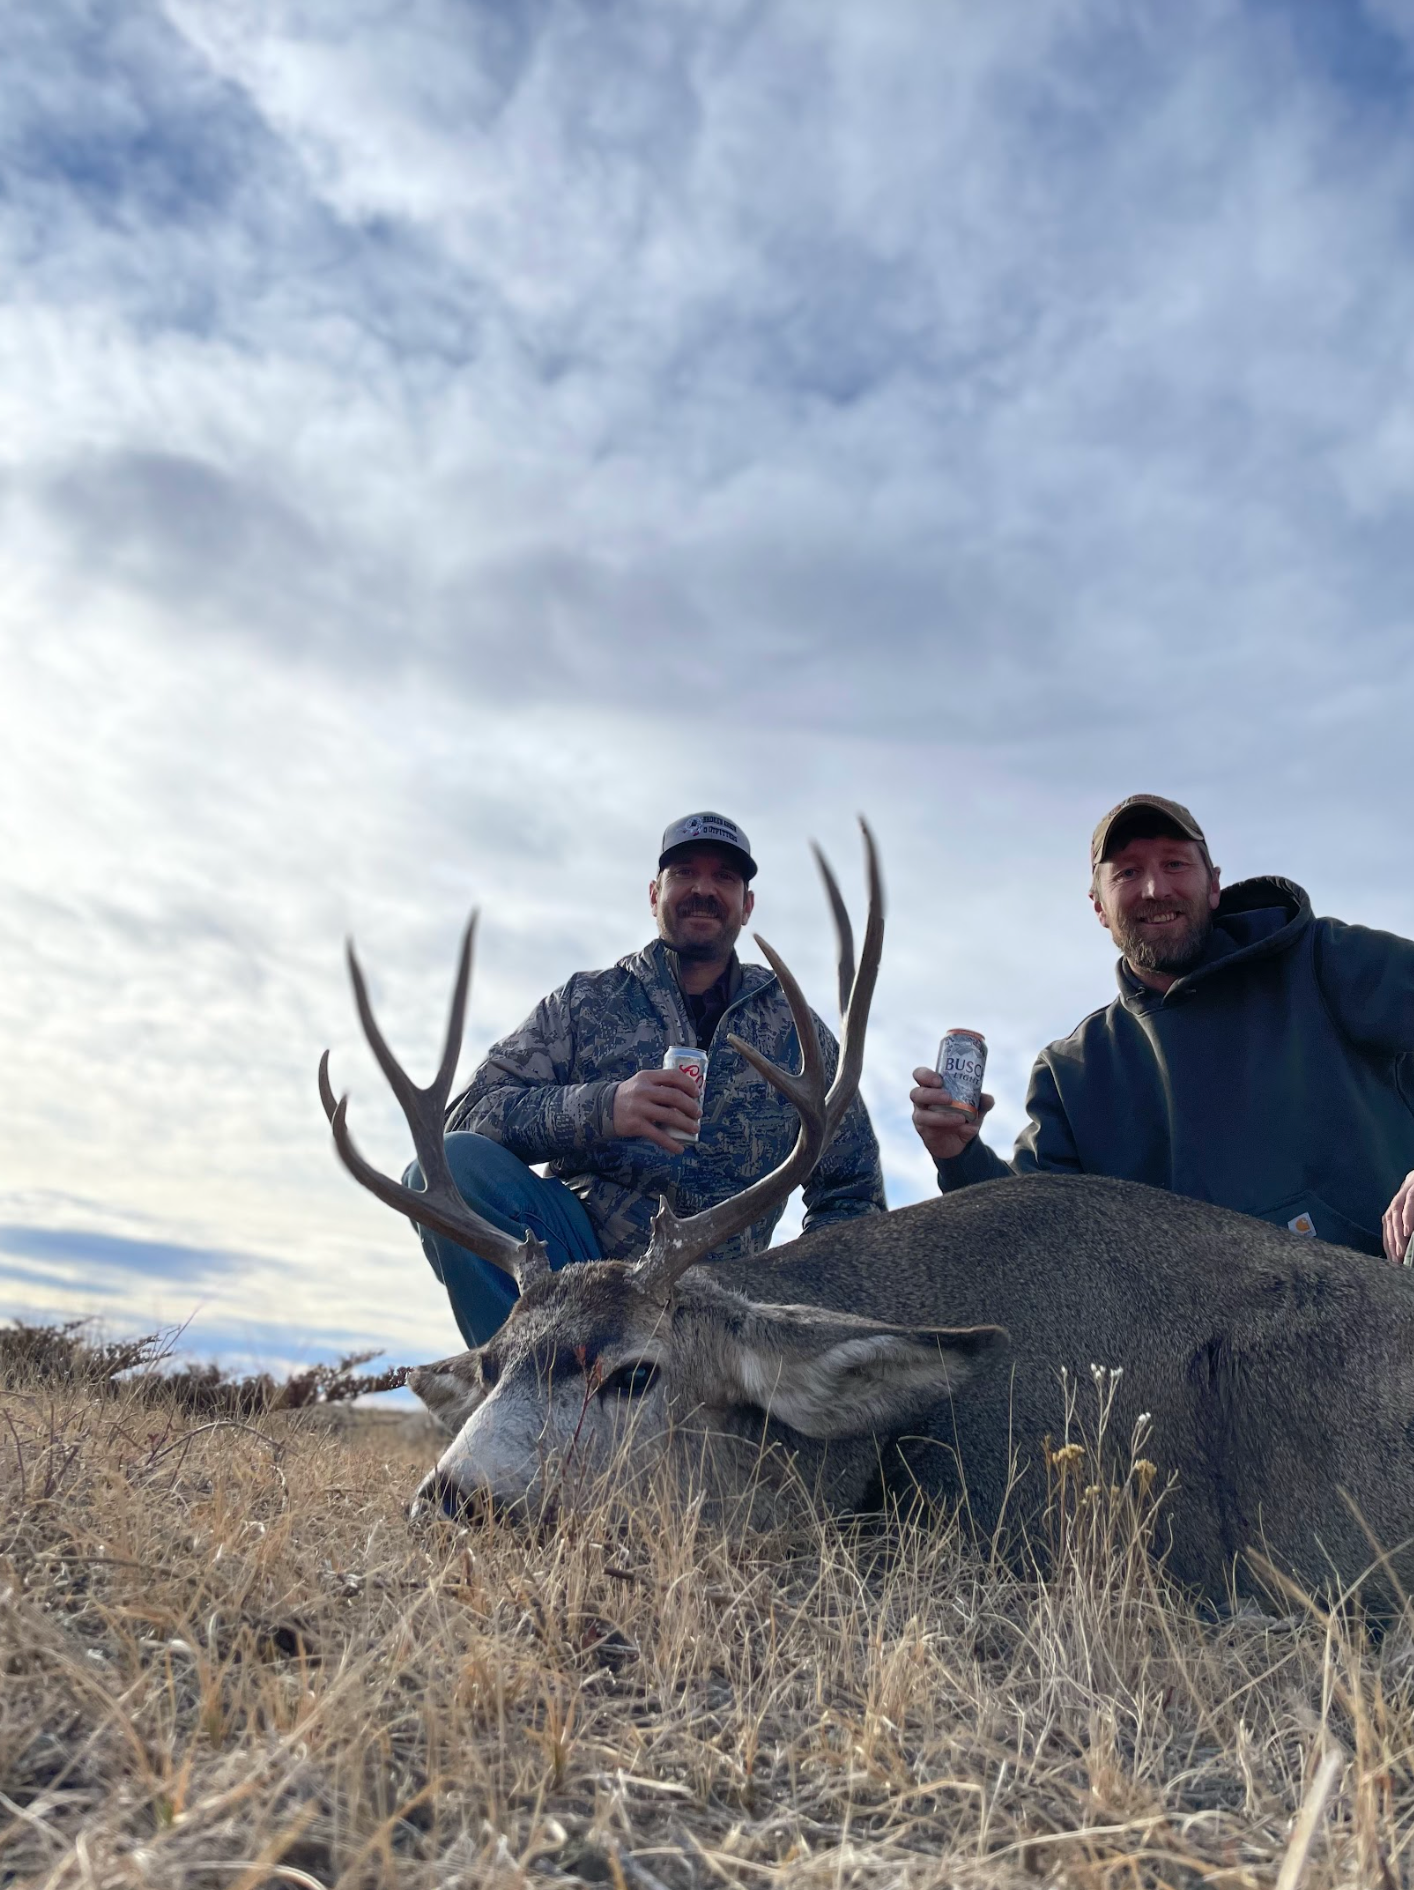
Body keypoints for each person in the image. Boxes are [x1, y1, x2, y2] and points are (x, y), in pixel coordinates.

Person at [411, 812, 887, 1345]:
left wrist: (784, 1296)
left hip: (726, 1308)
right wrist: (606, 1108)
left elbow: (854, 1194)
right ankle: (533, 1387)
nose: (703, 889)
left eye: (725, 878)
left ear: (747, 905)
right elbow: (468, 1117)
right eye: (684, 872)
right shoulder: (584, 1003)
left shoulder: (796, 1029)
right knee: (447, 1166)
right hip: (584, 1275)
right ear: (655, 891)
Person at [911, 793, 1414, 1262]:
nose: (1156, 889)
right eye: (1128, 872)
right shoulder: (1073, 1073)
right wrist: (960, 1157)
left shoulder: (1326, 959)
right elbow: (1032, 1238)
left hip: (1387, 1308)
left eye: (1175, 863)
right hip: (1212, 1350)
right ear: (1099, 907)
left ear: (1213, 884)